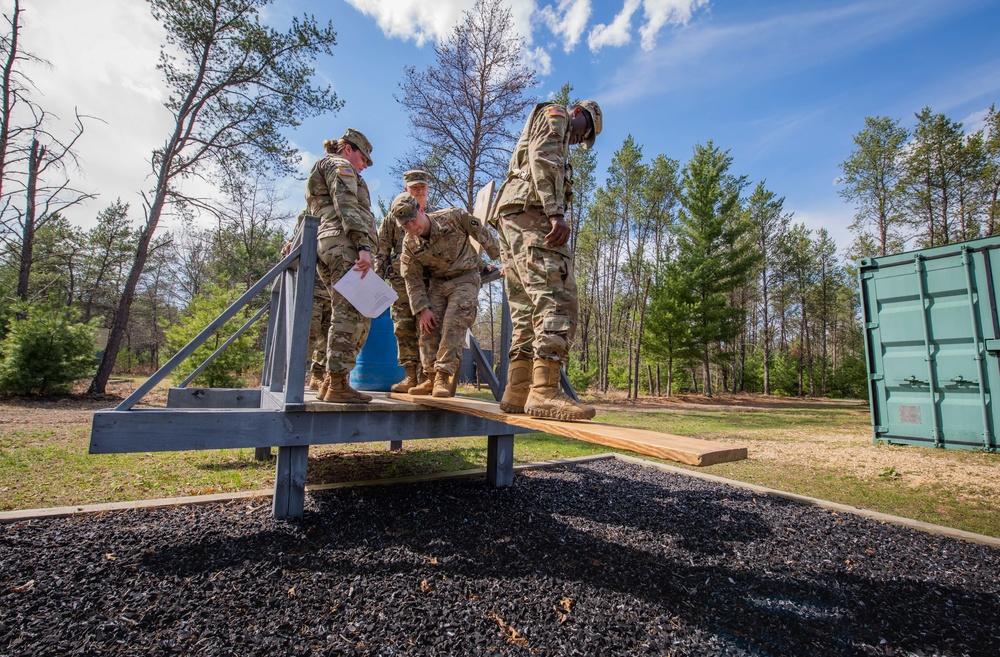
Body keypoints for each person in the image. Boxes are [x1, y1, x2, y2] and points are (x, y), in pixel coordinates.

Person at [491, 99, 602, 420]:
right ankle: (544, 392)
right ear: (578, 114)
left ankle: (518, 390)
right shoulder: (557, 115)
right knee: (558, 296)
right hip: (531, 212)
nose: (581, 140)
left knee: (525, 306)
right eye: (586, 132)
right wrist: (556, 213)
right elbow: (542, 155)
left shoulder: (549, 121)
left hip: (511, 215)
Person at [390, 192, 501, 398]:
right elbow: (412, 279)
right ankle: (430, 377)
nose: (412, 227)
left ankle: (443, 376)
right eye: (405, 225)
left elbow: (482, 234)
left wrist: (502, 259)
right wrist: (422, 309)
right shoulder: (409, 244)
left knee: (453, 323)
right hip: (438, 284)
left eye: (413, 220)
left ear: (421, 210)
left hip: (465, 278)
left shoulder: (453, 216)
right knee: (427, 327)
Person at [305, 128, 378, 404]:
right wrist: (363, 245)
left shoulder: (323, 168)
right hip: (344, 244)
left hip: (331, 243)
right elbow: (346, 203)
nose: (364, 166)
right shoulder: (339, 164)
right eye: (363, 159)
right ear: (349, 149)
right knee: (350, 313)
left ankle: (331, 380)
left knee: (355, 311)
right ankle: (337, 382)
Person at [374, 170, 437, 393]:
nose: (419, 191)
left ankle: (428, 376)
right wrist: (375, 279)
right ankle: (410, 375)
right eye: (414, 188)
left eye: (422, 187)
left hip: (427, 280)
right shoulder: (393, 217)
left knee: (427, 328)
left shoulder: (435, 215)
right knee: (403, 327)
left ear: (428, 189)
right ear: (405, 189)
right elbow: (381, 251)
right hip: (400, 280)